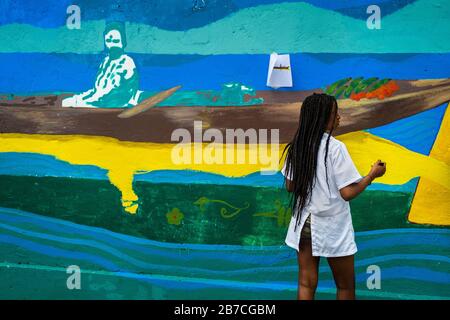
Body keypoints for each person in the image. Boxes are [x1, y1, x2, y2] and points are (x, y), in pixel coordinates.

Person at [280, 92, 386, 300]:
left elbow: (291, 186)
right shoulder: (336, 148)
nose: (339, 117)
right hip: (332, 227)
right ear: (323, 118)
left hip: (303, 224)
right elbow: (347, 193)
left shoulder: (297, 146)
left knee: (306, 283)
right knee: (345, 287)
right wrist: (372, 175)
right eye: (335, 113)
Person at [62, 22, 141, 108]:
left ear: (123, 42)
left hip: (115, 105)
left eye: (116, 41)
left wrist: (90, 102)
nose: (112, 45)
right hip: (99, 102)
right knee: (67, 102)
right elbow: (96, 90)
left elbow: (125, 92)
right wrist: (80, 98)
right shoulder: (106, 61)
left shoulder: (127, 62)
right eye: (108, 41)